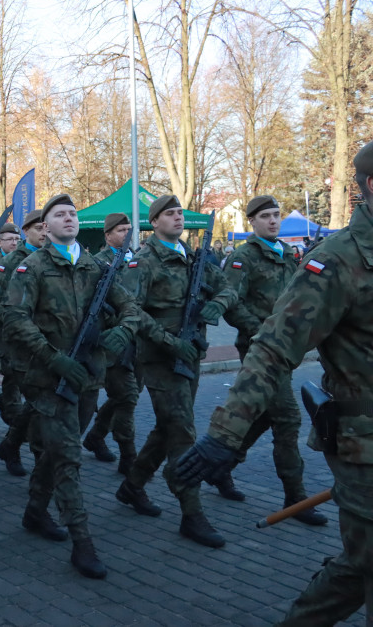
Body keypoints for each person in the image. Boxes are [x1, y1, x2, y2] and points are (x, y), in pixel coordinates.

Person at [176, 142, 373, 626]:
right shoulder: (339, 261)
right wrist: (225, 434)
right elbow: (274, 346)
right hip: (363, 444)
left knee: (361, 565)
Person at [4, 195, 139, 579]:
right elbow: (15, 319)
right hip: (49, 379)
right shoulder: (32, 267)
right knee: (67, 457)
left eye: (72, 214)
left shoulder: (95, 266)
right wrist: (52, 356)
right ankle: (82, 542)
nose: (68, 218)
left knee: (60, 449)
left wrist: (122, 332)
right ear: (45, 228)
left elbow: (129, 307)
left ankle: (34, 510)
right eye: (59, 215)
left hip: (88, 376)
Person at [114, 195, 237, 548]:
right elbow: (131, 310)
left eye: (180, 212)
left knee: (169, 426)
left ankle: (132, 486)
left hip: (191, 353)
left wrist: (217, 303)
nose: (178, 217)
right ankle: (191, 512)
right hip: (159, 358)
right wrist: (169, 341)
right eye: (170, 213)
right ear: (154, 222)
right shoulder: (144, 262)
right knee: (183, 430)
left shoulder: (193, 257)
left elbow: (228, 287)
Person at [200, 195, 326, 524]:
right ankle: (295, 498)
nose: (273, 221)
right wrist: (260, 330)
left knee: (265, 415)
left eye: (276, 215)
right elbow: (230, 300)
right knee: (287, 419)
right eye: (266, 216)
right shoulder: (244, 256)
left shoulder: (286, 254)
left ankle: (222, 467)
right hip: (258, 348)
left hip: (286, 347)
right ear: (252, 221)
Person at [0, 209, 47, 477]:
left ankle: (10, 445)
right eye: (39, 228)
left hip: (43, 345)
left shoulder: (50, 258)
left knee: (34, 404)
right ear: (27, 231)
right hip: (13, 345)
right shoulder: (12, 261)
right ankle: (30, 460)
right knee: (25, 403)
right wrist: (18, 320)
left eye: (47, 227)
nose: (45, 232)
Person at [82, 213, 143, 475]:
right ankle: (129, 457)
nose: (127, 234)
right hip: (113, 342)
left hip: (138, 338)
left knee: (126, 395)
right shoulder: (99, 263)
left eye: (129, 229)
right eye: (121, 230)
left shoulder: (139, 259)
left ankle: (96, 435)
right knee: (127, 396)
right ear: (108, 236)